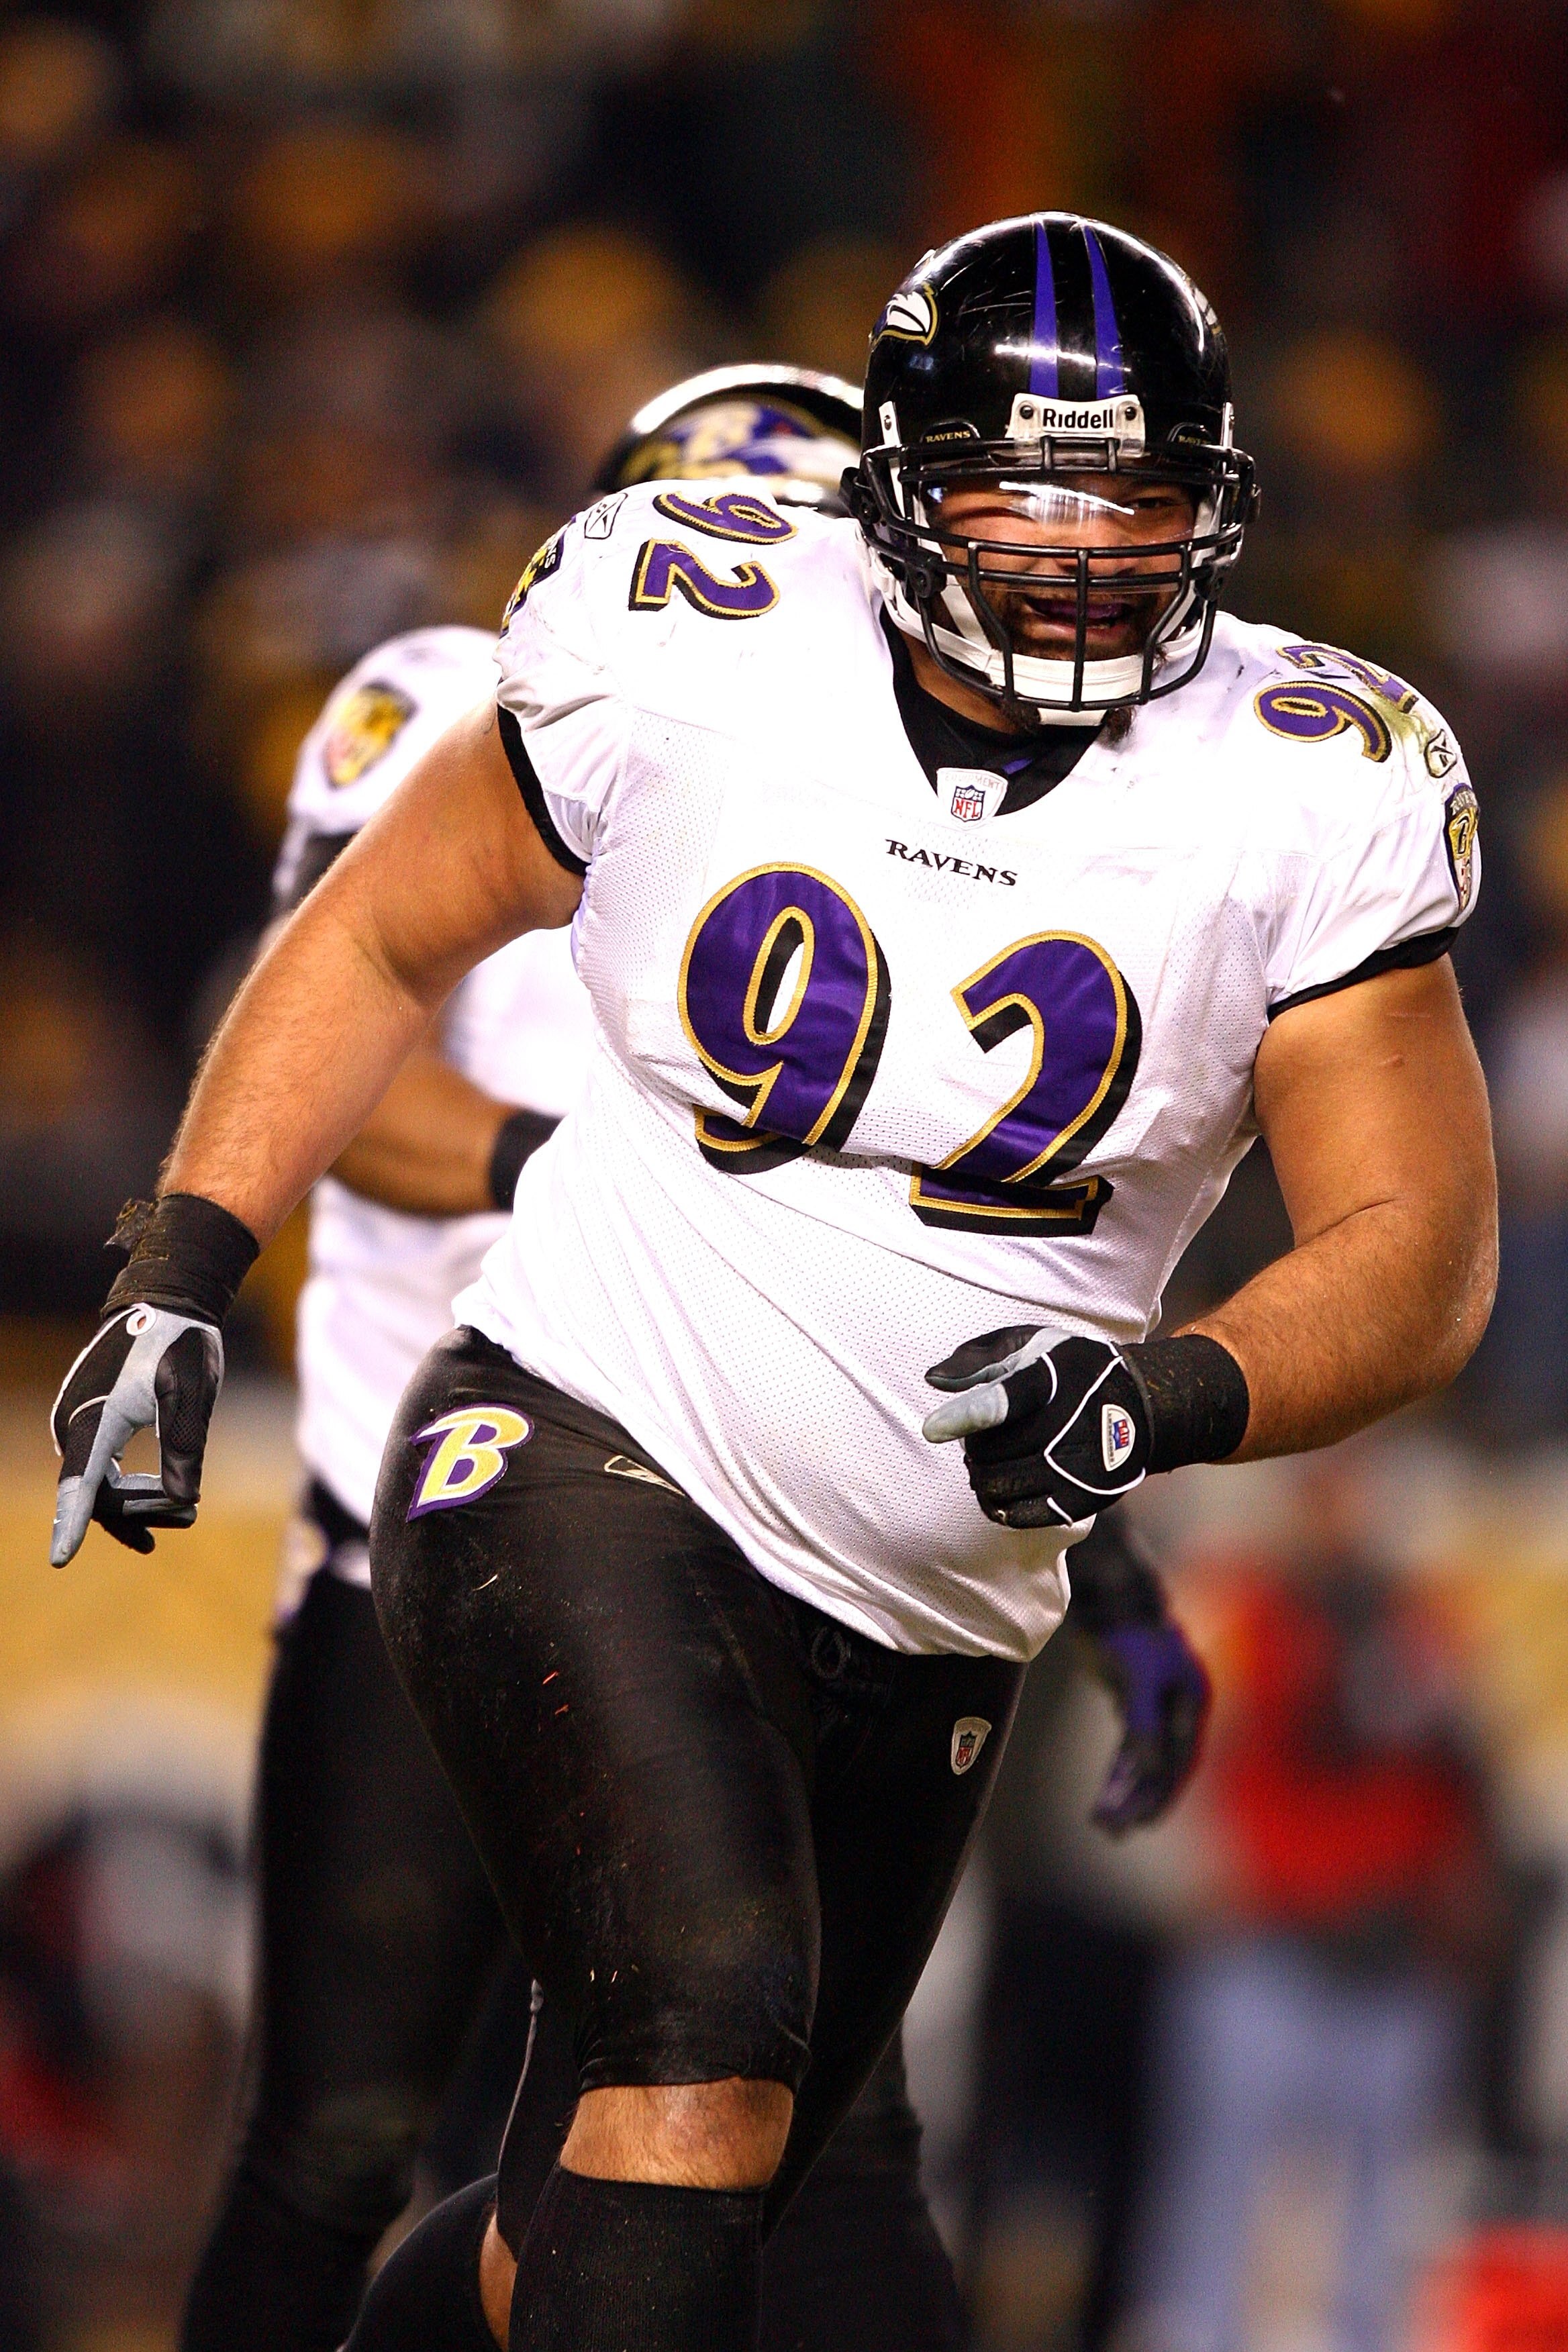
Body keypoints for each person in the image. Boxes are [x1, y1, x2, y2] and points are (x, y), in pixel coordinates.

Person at [50, 213, 1496, 2352]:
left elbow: (1417, 1251)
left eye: (1142, 497)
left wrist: (1164, 1401)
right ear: (896, 492)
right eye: (1026, 491)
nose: (1091, 551)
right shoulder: (692, 638)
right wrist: (181, 1265)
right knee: (694, 2050)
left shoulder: (1310, 777)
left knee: (667, 2197)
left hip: (932, 1597)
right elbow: (371, 937)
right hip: (575, 1438)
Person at [184, 369, 1055, 2352]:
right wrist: (593, 1168)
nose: (762, 580)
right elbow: (331, 1043)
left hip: (770, 1547)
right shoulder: (474, 703)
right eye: (723, 536)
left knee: (778, 2140)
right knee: (342, 2136)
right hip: (460, 1508)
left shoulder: (955, 791)